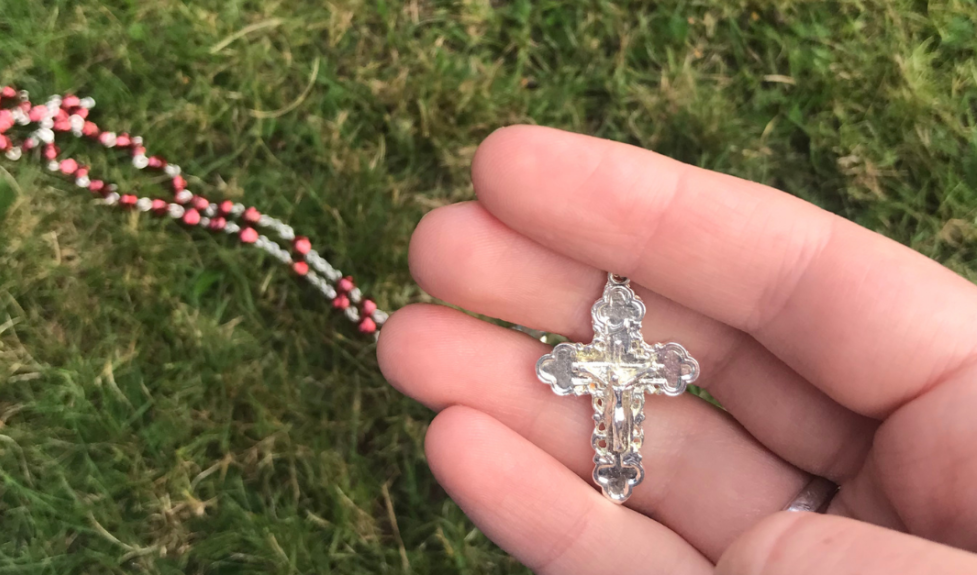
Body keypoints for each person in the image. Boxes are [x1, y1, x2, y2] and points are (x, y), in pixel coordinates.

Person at [377, 126, 977, 574]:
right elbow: (567, 364)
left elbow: (671, 366)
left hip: (630, 393)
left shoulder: (651, 360)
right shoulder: (596, 357)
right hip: (615, 387)